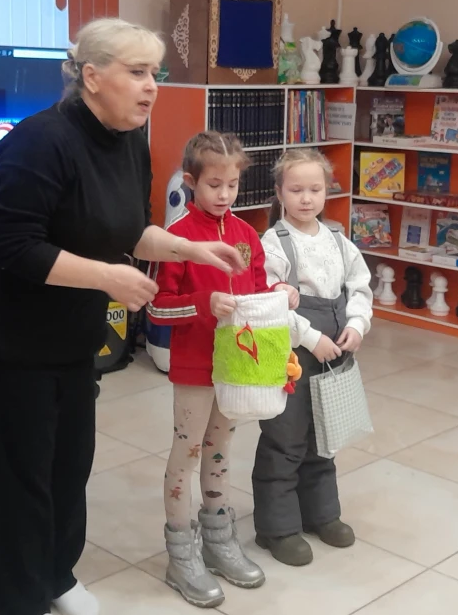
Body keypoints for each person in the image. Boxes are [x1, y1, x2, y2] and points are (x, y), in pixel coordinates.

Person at [0, 19, 244, 615]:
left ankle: (55, 574)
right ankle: (10, 597)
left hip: (72, 331)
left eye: (155, 73)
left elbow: (128, 230)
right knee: (18, 474)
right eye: (137, 72)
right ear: (91, 76)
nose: (151, 86)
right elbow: (13, 246)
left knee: (69, 463)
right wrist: (109, 277)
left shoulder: (130, 140)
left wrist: (189, 249)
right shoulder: (37, 142)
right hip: (13, 333)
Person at [147, 132, 302, 608]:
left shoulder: (246, 234)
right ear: (190, 181)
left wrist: (280, 292)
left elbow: (255, 290)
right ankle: (181, 552)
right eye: (214, 185)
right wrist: (203, 302)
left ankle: (218, 540)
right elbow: (156, 310)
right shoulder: (175, 240)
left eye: (232, 185)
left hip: (238, 367)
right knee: (188, 452)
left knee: (220, 451)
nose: (224, 194)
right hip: (195, 367)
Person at [251, 148, 373, 567]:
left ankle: (321, 514)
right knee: (285, 438)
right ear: (279, 193)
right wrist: (310, 336)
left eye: (315, 190)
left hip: (334, 351)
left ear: (326, 192)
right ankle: (277, 528)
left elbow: (359, 287)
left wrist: (357, 324)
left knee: (324, 435)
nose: (306, 198)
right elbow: (269, 302)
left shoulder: (339, 239)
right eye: (296, 190)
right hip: (292, 353)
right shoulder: (273, 244)